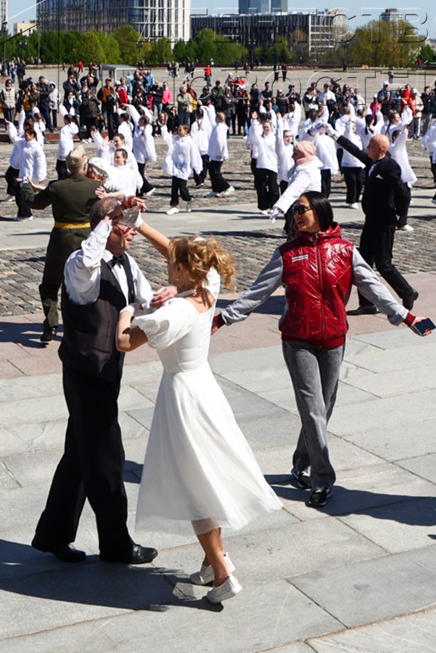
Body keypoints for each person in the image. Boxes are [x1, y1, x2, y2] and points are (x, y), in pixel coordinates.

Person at [216, 192, 429, 508]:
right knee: (313, 408)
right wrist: (223, 317)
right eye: (294, 211)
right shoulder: (287, 254)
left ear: (320, 211)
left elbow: (373, 286)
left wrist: (405, 316)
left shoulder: (345, 251)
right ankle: (322, 480)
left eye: (302, 209)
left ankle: (300, 461)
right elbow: (257, 292)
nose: (297, 215)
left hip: (334, 339)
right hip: (297, 340)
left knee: (324, 407)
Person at [118, 236, 282, 604]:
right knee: (205, 477)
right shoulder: (207, 286)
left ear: (182, 269)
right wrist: (142, 226)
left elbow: (125, 343)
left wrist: (127, 310)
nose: (166, 266)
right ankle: (212, 562)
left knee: (195, 487)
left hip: (182, 397)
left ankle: (223, 575)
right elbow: (178, 251)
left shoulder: (174, 311)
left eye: (171, 263)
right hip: (203, 387)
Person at [31, 198, 166, 565]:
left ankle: (52, 536)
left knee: (80, 454)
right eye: (126, 227)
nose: (133, 233)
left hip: (109, 368)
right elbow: (91, 259)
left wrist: (163, 299)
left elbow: (142, 299)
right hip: (86, 370)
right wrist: (107, 220)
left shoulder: (126, 262)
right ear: (106, 227)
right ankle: (116, 545)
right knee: (107, 456)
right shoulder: (81, 263)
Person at [23, 151, 108, 346]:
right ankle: (85, 323)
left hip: (61, 238)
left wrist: (26, 186)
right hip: (87, 239)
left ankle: (51, 322)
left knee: (51, 283)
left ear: (68, 168)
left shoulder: (57, 186)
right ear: (85, 167)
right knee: (86, 281)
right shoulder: (95, 187)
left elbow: (34, 203)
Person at [335, 127, 416, 311]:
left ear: (381, 149)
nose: (367, 148)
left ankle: (407, 292)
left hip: (385, 222)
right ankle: (367, 303)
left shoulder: (390, 166)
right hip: (371, 220)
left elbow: (403, 193)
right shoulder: (372, 162)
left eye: (370, 145)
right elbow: (354, 150)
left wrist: (399, 216)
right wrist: (335, 134)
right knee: (363, 263)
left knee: (383, 263)